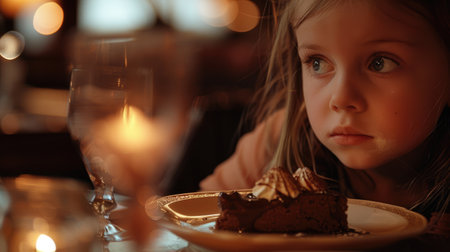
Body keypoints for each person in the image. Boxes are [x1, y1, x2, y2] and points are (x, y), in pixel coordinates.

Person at [200, 0, 449, 243]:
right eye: (317, 63)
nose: (340, 99)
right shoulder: (274, 143)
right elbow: (200, 224)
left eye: (380, 63)